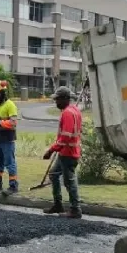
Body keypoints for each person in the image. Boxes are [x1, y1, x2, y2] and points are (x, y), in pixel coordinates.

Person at [42, 86, 83, 219]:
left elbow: (65, 137)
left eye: (58, 99)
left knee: (69, 181)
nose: (56, 102)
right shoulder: (75, 110)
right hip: (66, 152)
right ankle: (58, 204)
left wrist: (50, 150)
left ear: (66, 99)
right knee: (54, 174)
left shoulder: (67, 113)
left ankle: (75, 210)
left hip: (68, 153)